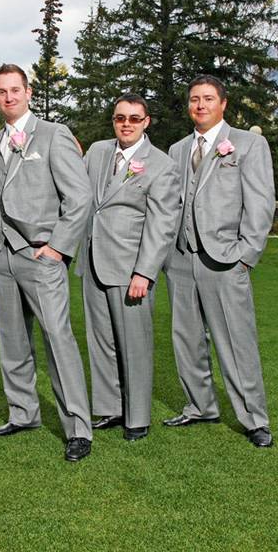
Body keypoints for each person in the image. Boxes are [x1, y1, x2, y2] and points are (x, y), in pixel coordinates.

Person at [0, 63, 93, 462]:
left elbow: (79, 198)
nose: (8, 97)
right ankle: (22, 413)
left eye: (15, 90)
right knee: (12, 340)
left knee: (57, 339)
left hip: (40, 256)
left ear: (28, 92)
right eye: (1, 91)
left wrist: (59, 248)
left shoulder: (54, 135)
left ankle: (78, 428)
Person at [163, 74, 276, 448]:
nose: (200, 105)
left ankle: (254, 419)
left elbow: (261, 204)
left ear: (223, 104)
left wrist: (246, 256)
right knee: (186, 339)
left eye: (208, 99)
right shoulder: (177, 150)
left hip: (226, 260)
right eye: (194, 99)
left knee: (236, 341)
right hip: (181, 260)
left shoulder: (248, 144)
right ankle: (199, 406)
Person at [77, 94, 180, 442]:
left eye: (135, 119)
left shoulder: (161, 164)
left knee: (134, 344)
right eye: (120, 117)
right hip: (92, 262)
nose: (126, 124)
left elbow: (163, 223)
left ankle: (137, 417)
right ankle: (110, 409)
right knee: (101, 341)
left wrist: (145, 272)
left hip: (130, 269)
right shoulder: (97, 152)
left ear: (146, 122)